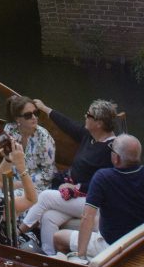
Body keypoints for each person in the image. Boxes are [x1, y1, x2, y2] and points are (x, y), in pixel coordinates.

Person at [20, 98, 121, 255]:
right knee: (49, 217)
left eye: (89, 115)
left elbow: (106, 183)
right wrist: (46, 109)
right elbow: (68, 125)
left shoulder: (111, 149)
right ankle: (49, 255)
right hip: (74, 194)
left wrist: (76, 187)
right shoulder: (90, 135)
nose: (85, 116)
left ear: (99, 123)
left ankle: (16, 234)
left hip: (93, 201)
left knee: (46, 197)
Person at [69, 134, 144, 263]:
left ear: (116, 158)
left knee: (59, 237)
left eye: (111, 150)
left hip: (114, 246)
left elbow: (86, 217)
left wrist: (81, 256)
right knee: (93, 219)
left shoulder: (103, 177)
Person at [2, 94, 55, 193]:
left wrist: (20, 184)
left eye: (36, 113)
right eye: (28, 115)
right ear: (18, 119)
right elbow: (7, 159)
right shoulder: (9, 129)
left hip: (37, 184)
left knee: (8, 201)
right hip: (13, 178)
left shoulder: (44, 138)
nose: (34, 117)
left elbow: (48, 176)